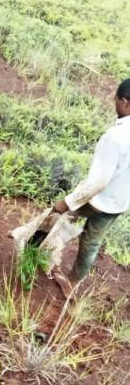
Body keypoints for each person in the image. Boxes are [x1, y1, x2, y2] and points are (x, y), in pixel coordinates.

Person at [52, 78, 130, 294]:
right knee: (91, 243)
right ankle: (72, 284)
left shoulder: (115, 136)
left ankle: (32, 252)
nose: (114, 101)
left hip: (97, 199)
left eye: (116, 98)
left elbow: (98, 181)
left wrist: (66, 202)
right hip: (118, 203)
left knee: (56, 217)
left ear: (125, 102)